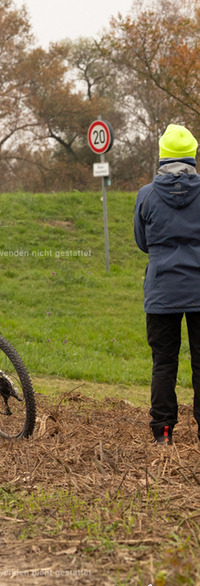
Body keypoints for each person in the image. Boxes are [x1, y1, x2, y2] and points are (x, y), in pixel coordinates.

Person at [134, 124, 200, 444]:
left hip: (161, 291)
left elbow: (142, 242)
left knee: (164, 362)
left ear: (162, 157)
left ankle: (162, 432)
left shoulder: (146, 195)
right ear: (193, 157)